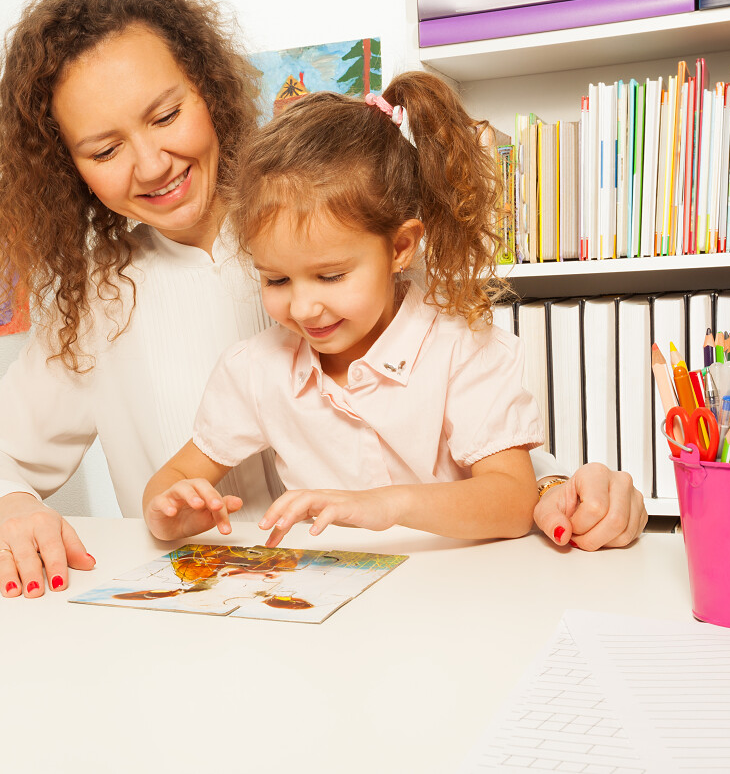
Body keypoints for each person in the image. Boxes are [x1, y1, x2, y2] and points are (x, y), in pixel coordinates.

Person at [0, 0, 647, 599]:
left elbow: (463, 434)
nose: (149, 164)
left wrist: (561, 488)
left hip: (423, 604)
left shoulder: (338, 221)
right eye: (106, 148)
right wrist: (9, 506)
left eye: (166, 114)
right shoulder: (97, 304)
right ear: (69, 168)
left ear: (209, 89)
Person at [146, 83, 547, 546]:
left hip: (451, 595)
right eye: (276, 280)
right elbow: (174, 476)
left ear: (399, 247)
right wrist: (169, 509)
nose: (302, 308)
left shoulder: (461, 349)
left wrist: (386, 504)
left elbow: (515, 500)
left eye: (331, 276)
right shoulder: (254, 369)